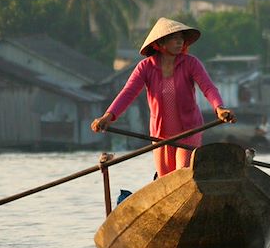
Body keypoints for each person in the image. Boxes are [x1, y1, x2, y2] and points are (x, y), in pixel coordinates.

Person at [91, 17, 235, 178]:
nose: (179, 42)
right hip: (160, 135)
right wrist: (108, 116)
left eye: (181, 38)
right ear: (159, 44)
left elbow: (208, 87)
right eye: (174, 38)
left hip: (189, 131)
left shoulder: (191, 63)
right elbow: (128, 92)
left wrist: (219, 108)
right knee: (165, 179)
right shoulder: (145, 67)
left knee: (182, 175)